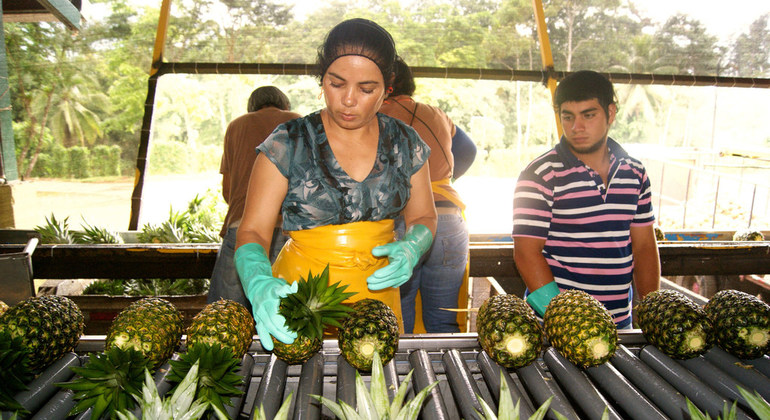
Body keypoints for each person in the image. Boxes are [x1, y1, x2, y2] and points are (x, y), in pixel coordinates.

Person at [234, 18, 437, 350]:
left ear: (387, 89)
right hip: (299, 300)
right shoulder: (289, 142)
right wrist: (258, 281)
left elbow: (424, 217)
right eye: (337, 84)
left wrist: (413, 246)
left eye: (366, 89)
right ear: (322, 80)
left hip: (378, 300)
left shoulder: (405, 143)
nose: (348, 100)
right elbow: (253, 230)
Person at [512, 70, 660, 329]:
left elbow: (645, 247)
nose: (575, 127)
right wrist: (564, 320)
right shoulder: (540, 175)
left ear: (610, 114)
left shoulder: (634, 173)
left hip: (619, 324)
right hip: (556, 326)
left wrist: (651, 316)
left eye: (588, 115)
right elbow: (526, 253)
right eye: (567, 117)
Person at [379, 57, 476, 333]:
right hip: (448, 220)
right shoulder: (436, 113)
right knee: (444, 318)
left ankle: (403, 376)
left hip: (401, 224)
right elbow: (468, 149)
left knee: (400, 318)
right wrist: (444, 179)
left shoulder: (375, 116)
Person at [208, 86, 301, 312]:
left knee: (225, 311)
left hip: (243, 226)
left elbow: (228, 190)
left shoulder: (236, 126)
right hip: (290, 227)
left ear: (251, 107)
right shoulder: (297, 121)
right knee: (289, 310)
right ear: (285, 104)